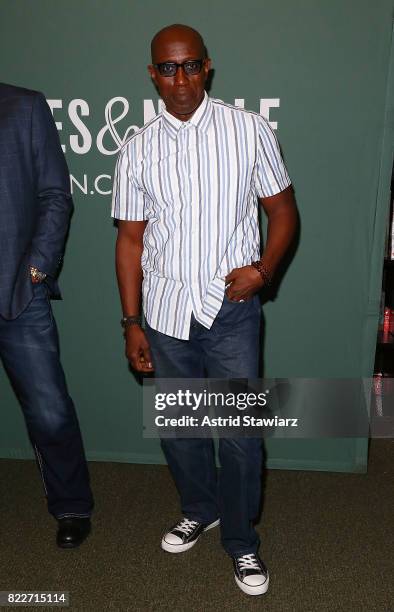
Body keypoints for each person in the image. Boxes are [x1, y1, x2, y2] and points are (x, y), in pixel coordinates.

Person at [112, 24, 297, 596]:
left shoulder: (250, 131)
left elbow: (284, 213)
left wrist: (262, 272)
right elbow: (130, 242)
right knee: (181, 429)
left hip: (231, 311)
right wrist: (132, 321)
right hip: (166, 314)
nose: (181, 78)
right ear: (152, 75)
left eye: (191, 65)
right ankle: (201, 508)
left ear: (207, 67)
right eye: (168, 68)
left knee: (241, 435)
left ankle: (242, 543)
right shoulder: (137, 148)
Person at [0, 82, 94, 548]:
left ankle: (72, 505)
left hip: (16, 291)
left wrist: (36, 267)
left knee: (50, 411)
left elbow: (55, 194)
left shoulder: (23, 106)